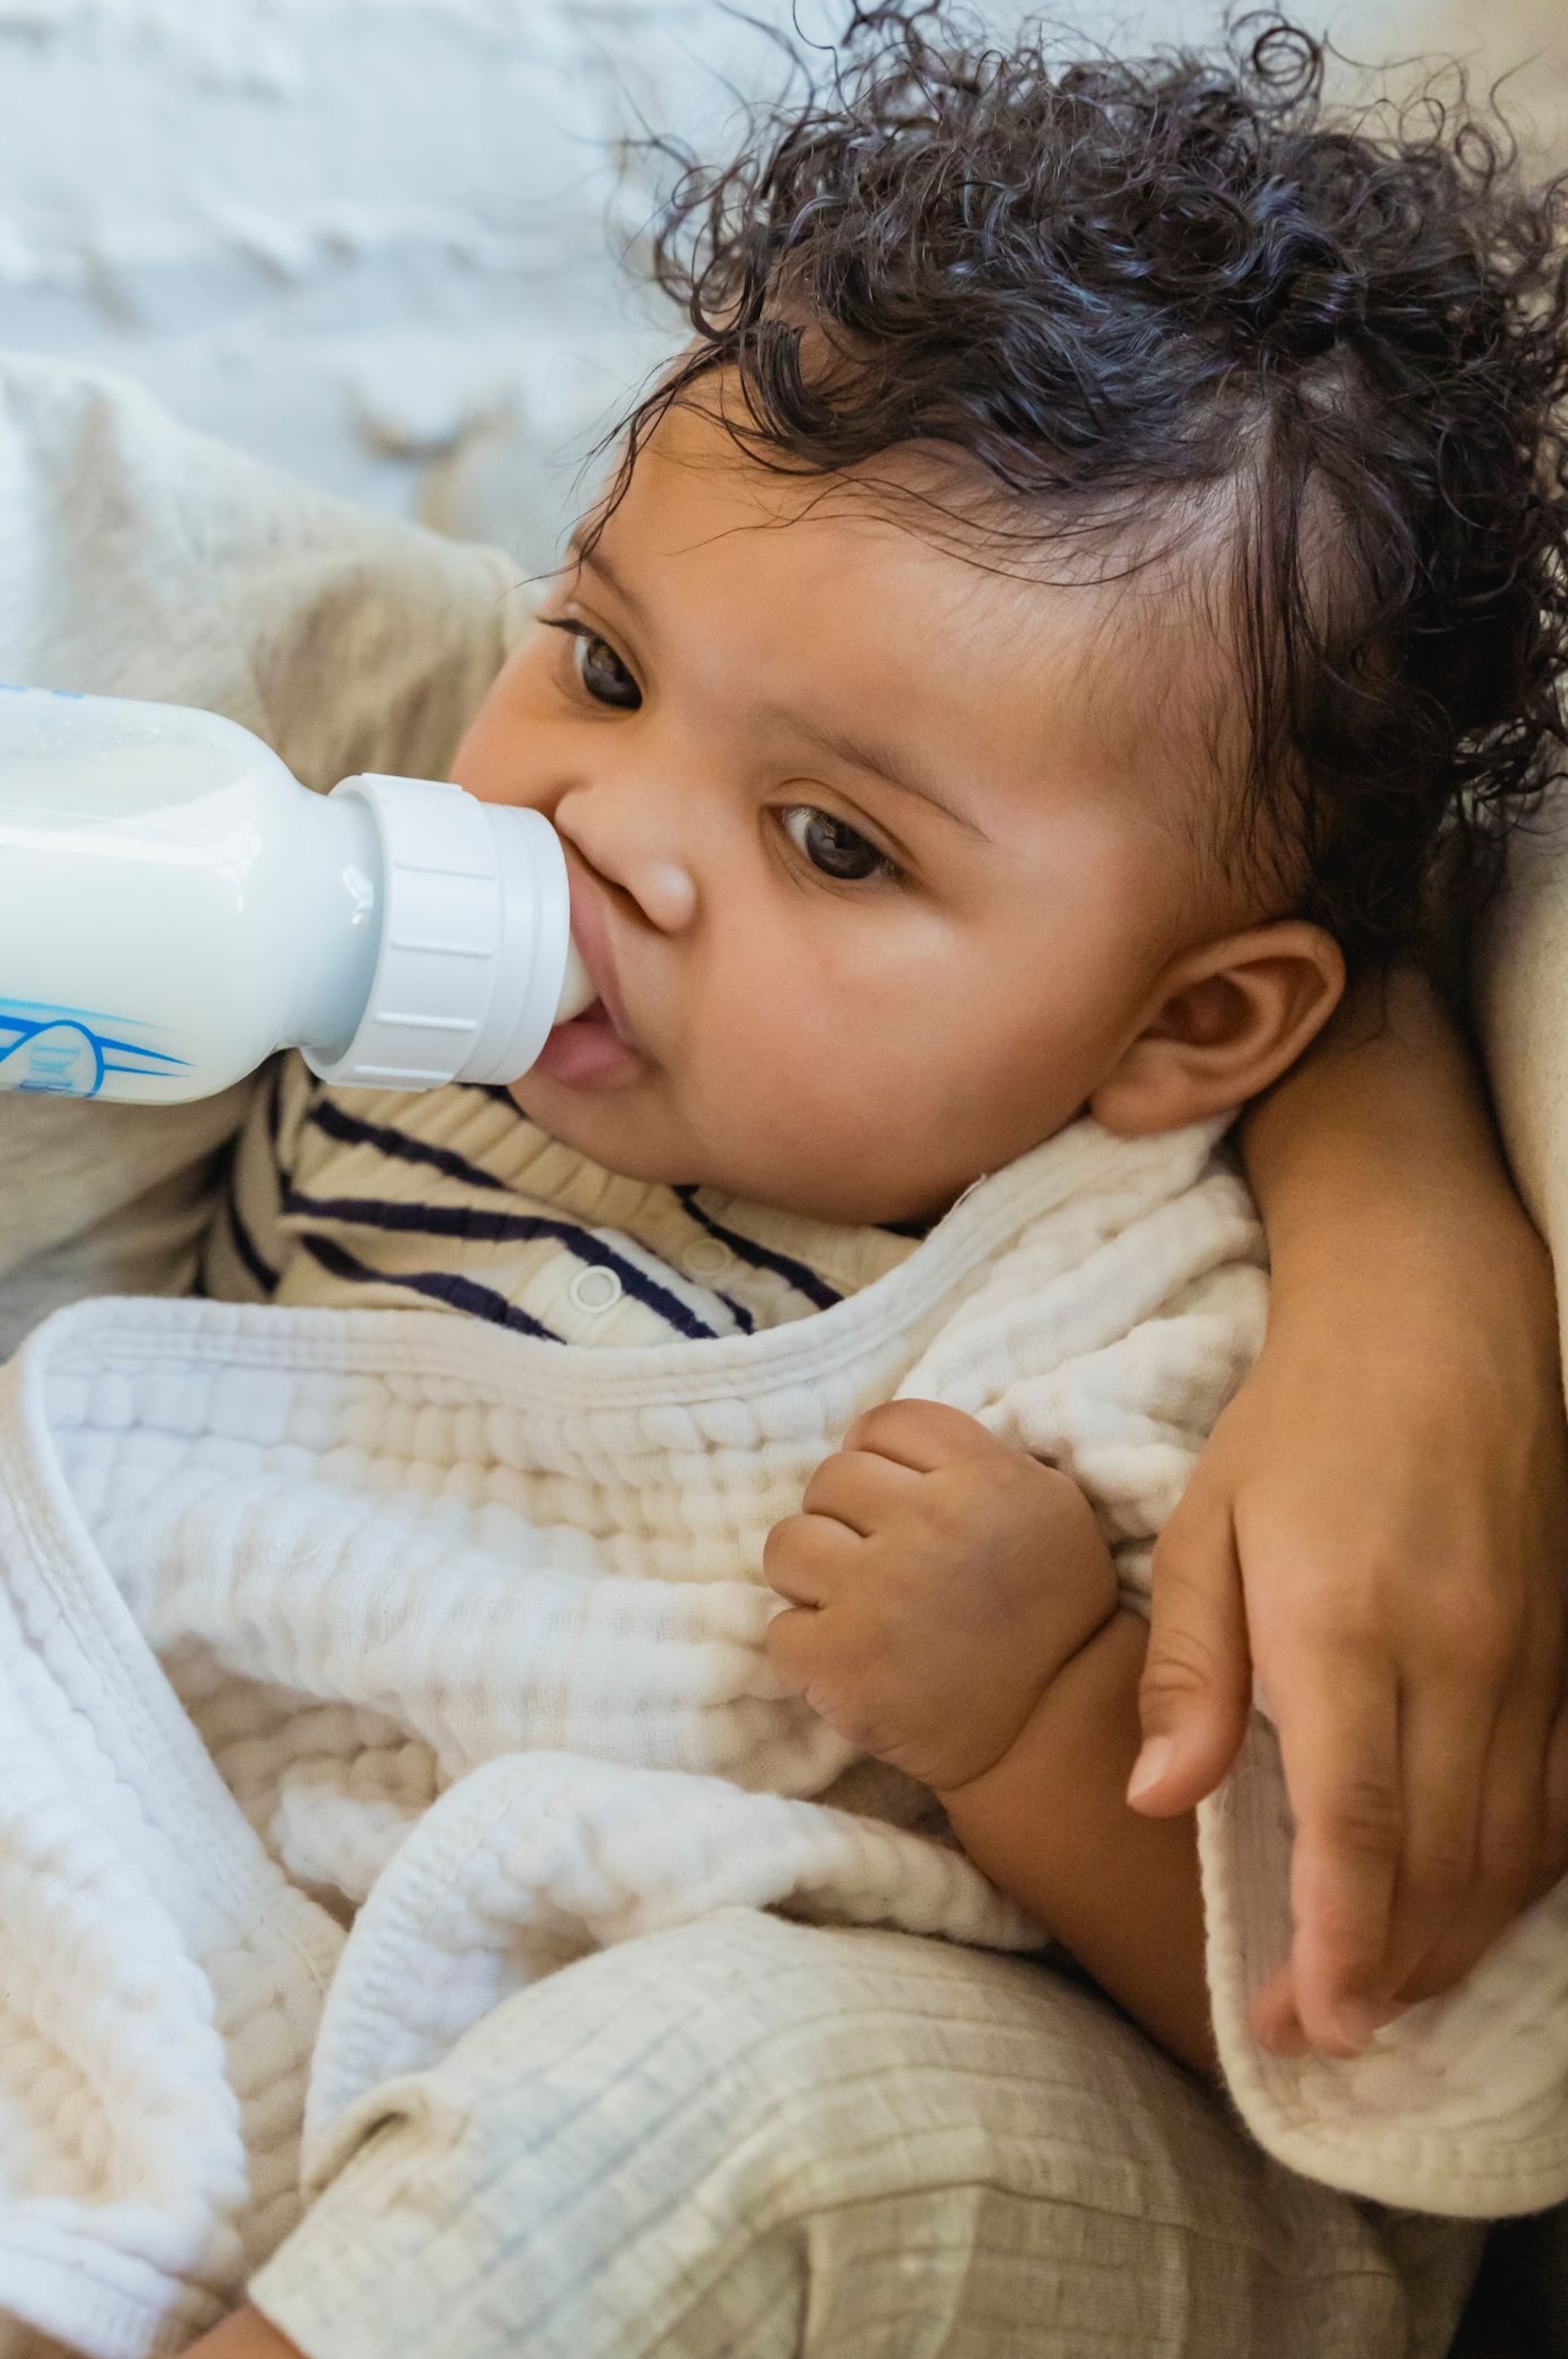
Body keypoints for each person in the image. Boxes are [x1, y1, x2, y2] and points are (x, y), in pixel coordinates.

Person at [1, 13, 1564, 2354]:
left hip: (881, 2104)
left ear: (1180, 1027)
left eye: (834, 841)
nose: (602, 825)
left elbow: (1343, 2042)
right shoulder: (363, 868)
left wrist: (1038, 1709)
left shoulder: (1141, 1306)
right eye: (609, 664)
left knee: (681, 2104)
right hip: (241, 1903)